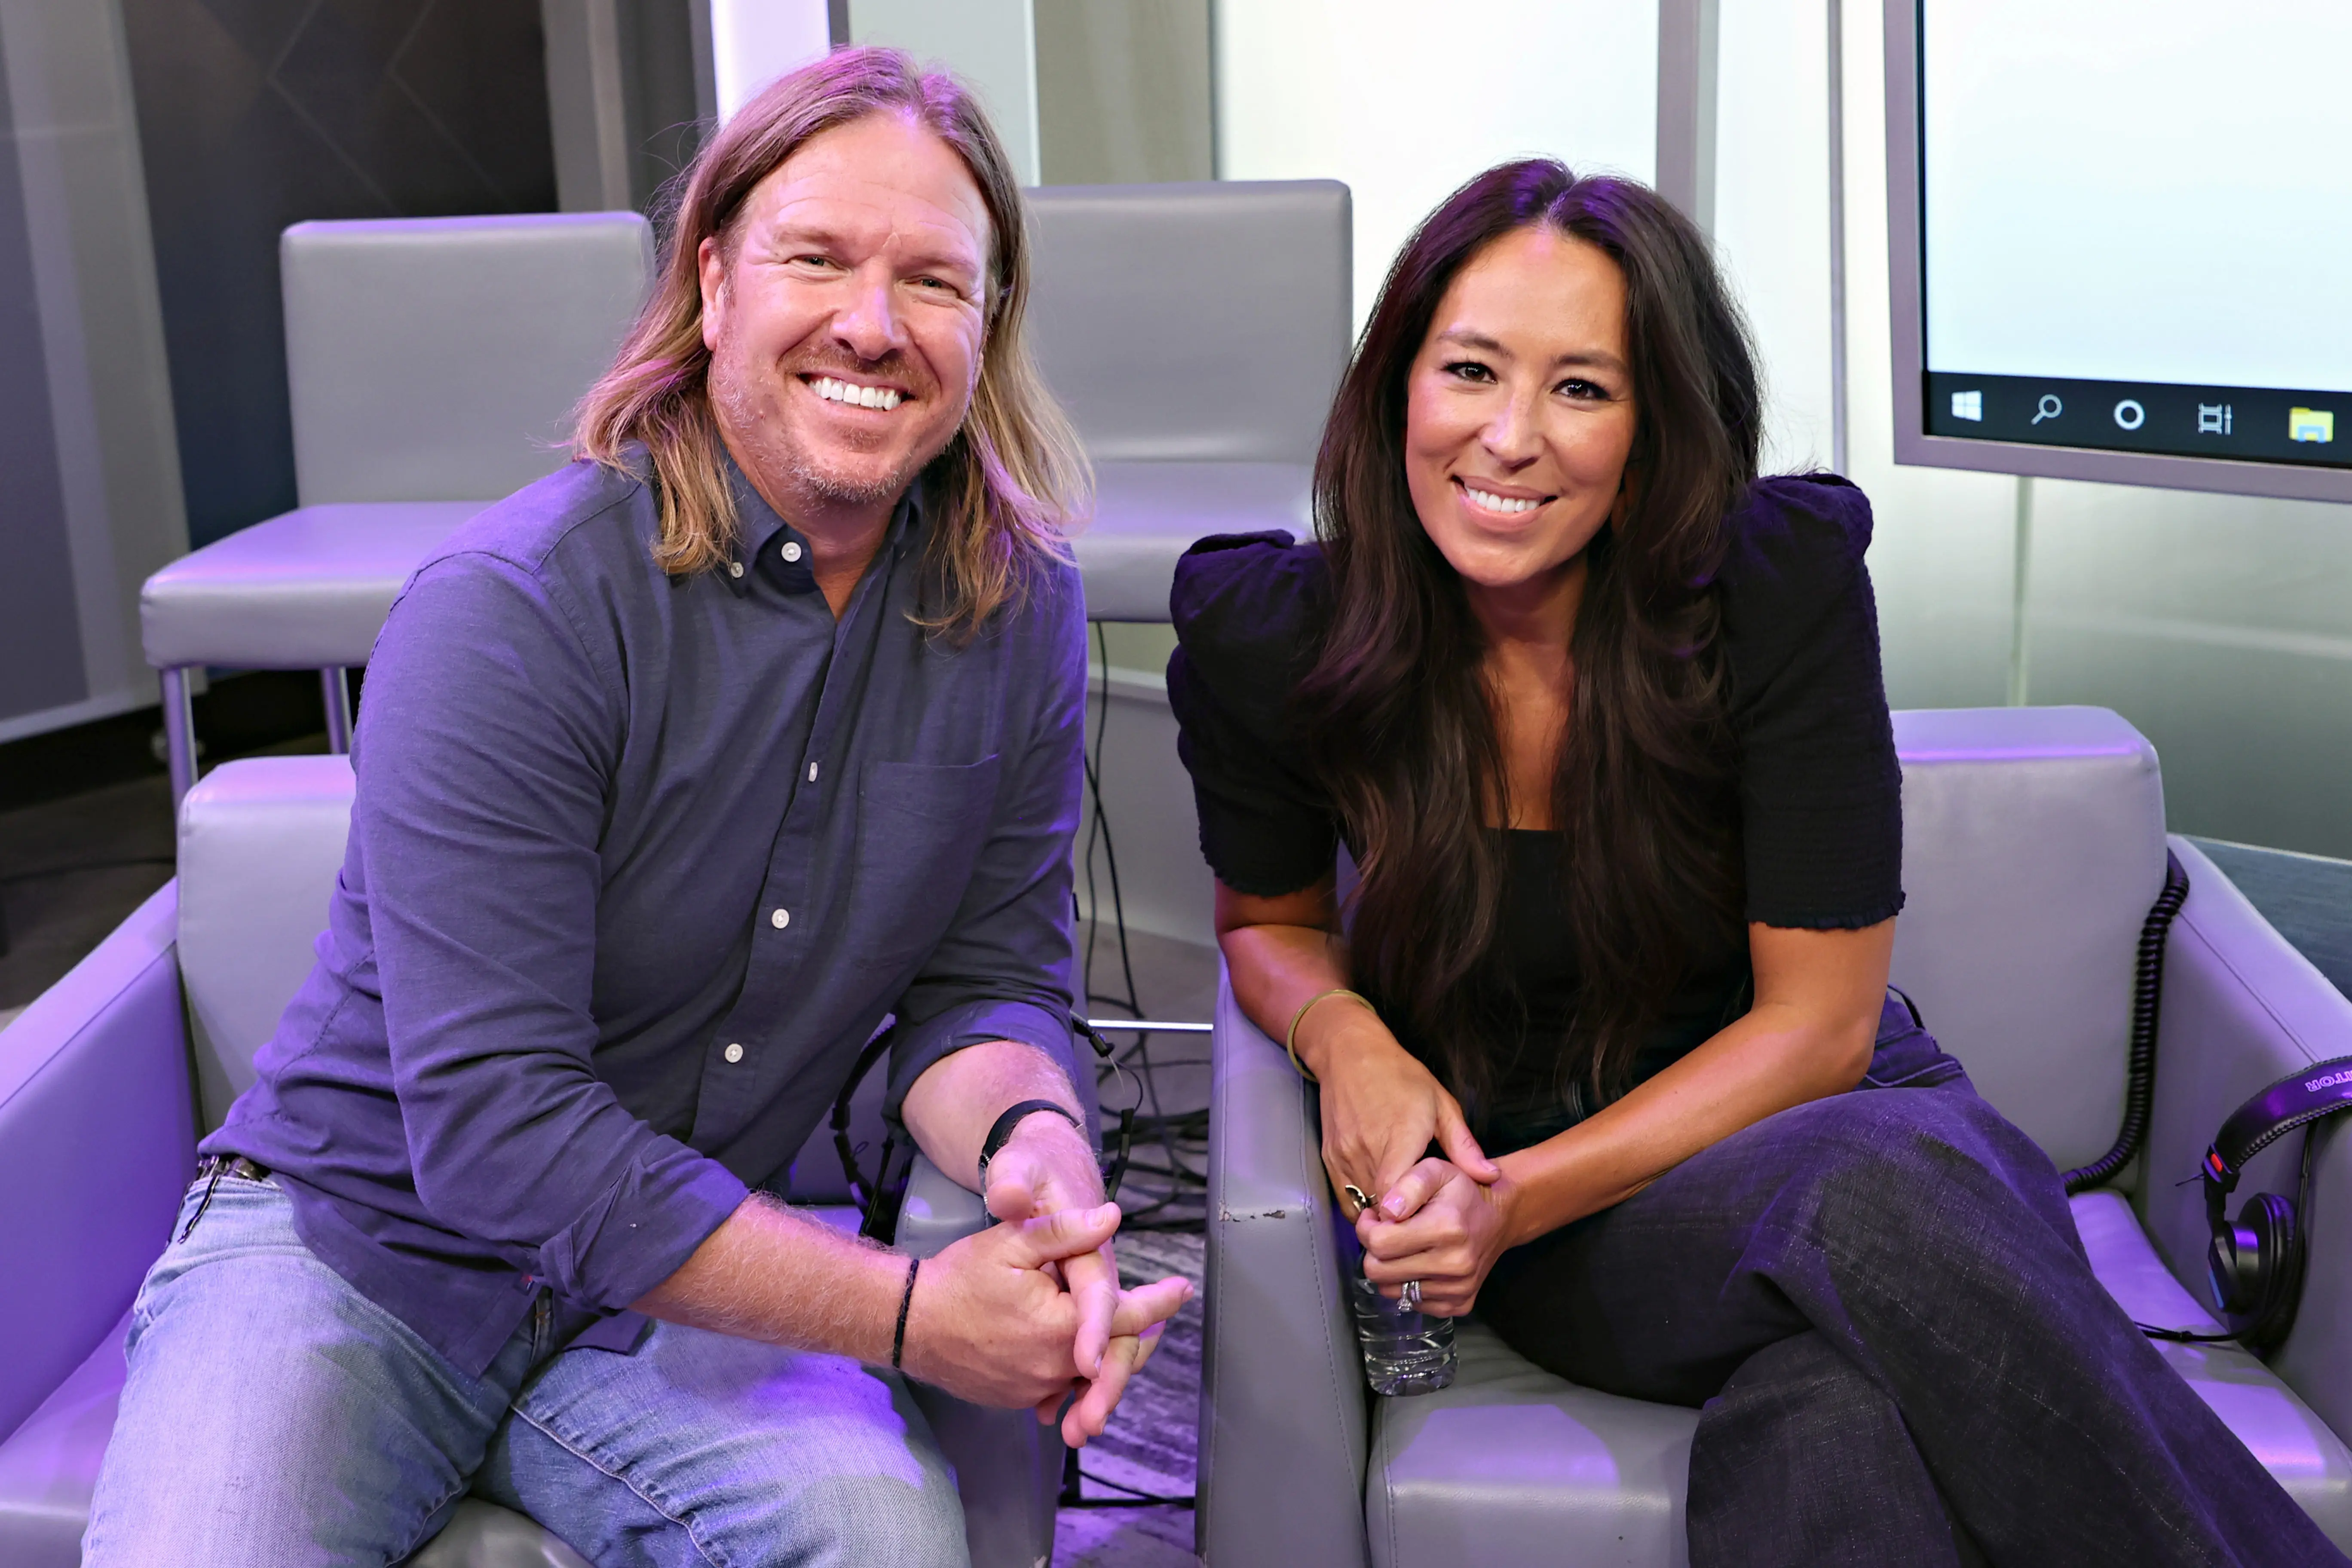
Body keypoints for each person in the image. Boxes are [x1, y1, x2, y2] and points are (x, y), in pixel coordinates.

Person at [84, 48, 1189, 1568]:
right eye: (819, 259)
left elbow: (984, 980)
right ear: (717, 279)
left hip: (679, 1286)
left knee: (882, 1543)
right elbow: (499, 1133)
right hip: (354, 1252)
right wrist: (916, 1316)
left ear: (988, 324)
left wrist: (1033, 1147)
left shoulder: (1016, 608)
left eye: (935, 281)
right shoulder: (514, 608)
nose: (874, 324)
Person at [1168, 158, 2346, 1567]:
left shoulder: (1768, 591)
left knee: (1831, 1417)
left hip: (1846, 1149)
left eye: (1584, 389)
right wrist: (1348, 1034)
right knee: (1885, 1200)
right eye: (1471, 370)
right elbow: (1269, 925)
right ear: (1396, 390)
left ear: (1658, 424)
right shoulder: (1279, 635)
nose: (1513, 438)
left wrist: (1505, 1203)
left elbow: (1824, 1029)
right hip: (1593, 1231)